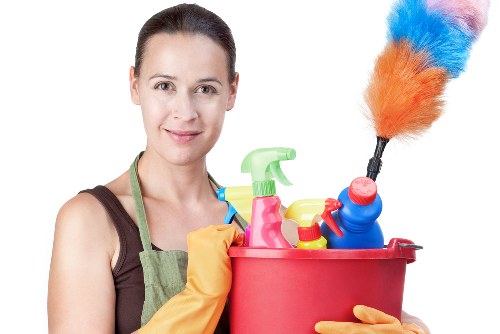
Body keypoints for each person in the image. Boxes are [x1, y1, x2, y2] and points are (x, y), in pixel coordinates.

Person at [47, 3, 430, 334]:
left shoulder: (263, 223)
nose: (185, 112)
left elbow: (349, 309)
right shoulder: (92, 221)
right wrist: (198, 300)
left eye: (206, 89)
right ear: (134, 85)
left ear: (232, 92)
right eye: (164, 86)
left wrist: (411, 326)